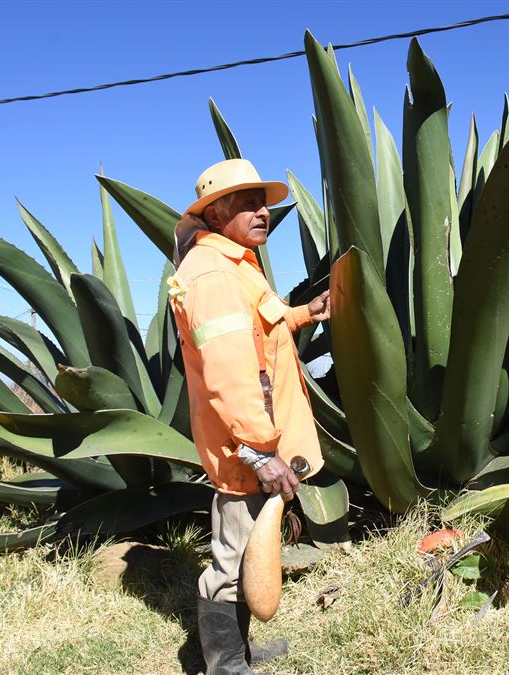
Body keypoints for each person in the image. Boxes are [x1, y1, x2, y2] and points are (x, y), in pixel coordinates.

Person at [169, 158, 328, 674]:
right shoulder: (214, 274)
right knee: (234, 560)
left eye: (264, 202)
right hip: (244, 444)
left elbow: (260, 329)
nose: (263, 212)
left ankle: (239, 648)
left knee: (248, 549)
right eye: (247, 202)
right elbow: (230, 373)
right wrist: (258, 452)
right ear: (216, 211)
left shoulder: (234, 264)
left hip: (251, 438)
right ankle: (226, 664)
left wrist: (305, 314)